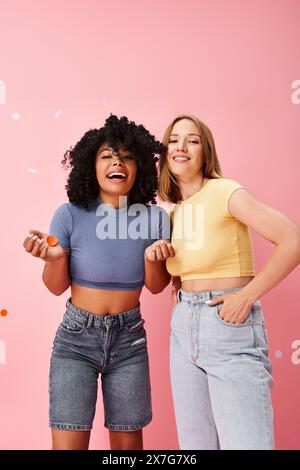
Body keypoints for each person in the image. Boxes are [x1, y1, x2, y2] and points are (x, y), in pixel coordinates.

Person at [23, 114, 173, 450]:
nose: (117, 162)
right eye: (107, 155)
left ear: (140, 168)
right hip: (76, 342)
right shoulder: (69, 214)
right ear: (91, 166)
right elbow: (55, 286)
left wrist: (153, 258)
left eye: (127, 157)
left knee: (127, 451)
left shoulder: (154, 218)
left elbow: (156, 286)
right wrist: (55, 259)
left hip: (129, 342)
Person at [158, 114, 300, 450]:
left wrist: (246, 296)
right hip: (183, 329)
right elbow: (182, 275)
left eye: (191, 140)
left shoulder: (224, 191)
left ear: (205, 152)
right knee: (196, 446)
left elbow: (292, 240)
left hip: (228, 323)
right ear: (164, 153)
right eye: (174, 140)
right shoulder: (173, 213)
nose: (181, 146)